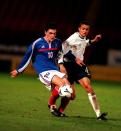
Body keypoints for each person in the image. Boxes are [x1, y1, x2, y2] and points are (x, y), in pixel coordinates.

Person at [10, 22, 73, 117]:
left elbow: (60, 53)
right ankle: (51, 104)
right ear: (45, 32)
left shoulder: (58, 42)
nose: (53, 35)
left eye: (55, 33)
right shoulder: (37, 43)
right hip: (44, 71)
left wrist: (61, 64)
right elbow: (27, 57)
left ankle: (59, 111)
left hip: (55, 69)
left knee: (69, 91)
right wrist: (18, 70)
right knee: (62, 85)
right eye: (51, 33)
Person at [59, 20, 108, 120]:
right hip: (68, 66)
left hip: (79, 66)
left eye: (87, 29)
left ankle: (99, 115)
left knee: (88, 86)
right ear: (79, 29)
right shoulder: (73, 37)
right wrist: (63, 64)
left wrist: (93, 40)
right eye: (83, 29)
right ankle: (59, 110)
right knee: (71, 96)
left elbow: (83, 43)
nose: (85, 31)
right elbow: (61, 50)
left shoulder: (82, 37)